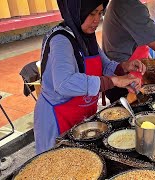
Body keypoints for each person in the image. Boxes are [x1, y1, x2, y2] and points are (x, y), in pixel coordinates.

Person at [34, 0, 146, 154]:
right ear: (76, 11)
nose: (96, 20)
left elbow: (104, 65)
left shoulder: (87, 37)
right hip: (58, 118)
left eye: (100, 13)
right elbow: (64, 83)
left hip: (82, 116)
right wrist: (113, 81)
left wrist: (123, 67)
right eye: (92, 13)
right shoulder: (61, 40)